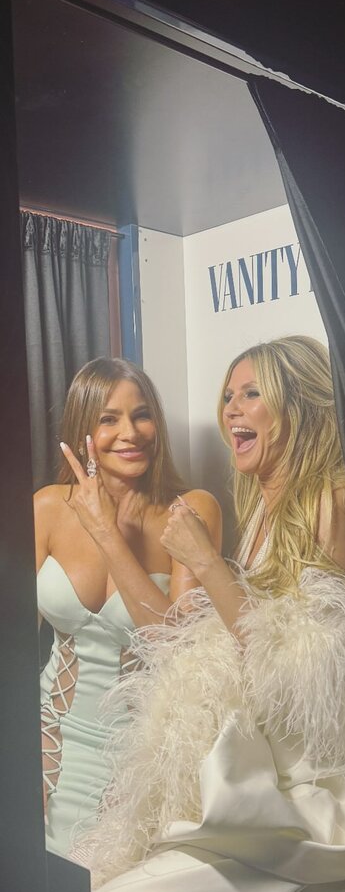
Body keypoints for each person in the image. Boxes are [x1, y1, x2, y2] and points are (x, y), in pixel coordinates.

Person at [52, 335, 345, 892]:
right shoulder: (259, 504)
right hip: (245, 765)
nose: (232, 410)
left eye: (252, 394)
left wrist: (202, 560)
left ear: (298, 404)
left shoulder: (331, 499)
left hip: (300, 792)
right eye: (228, 396)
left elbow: (297, 670)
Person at [35, 356, 222, 857]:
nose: (130, 433)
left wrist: (105, 532)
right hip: (47, 737)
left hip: (138, 755)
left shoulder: (192, 510)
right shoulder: (47, 507)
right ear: (83, 431)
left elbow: (174, 650)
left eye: (142, 415)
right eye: (109, 419)